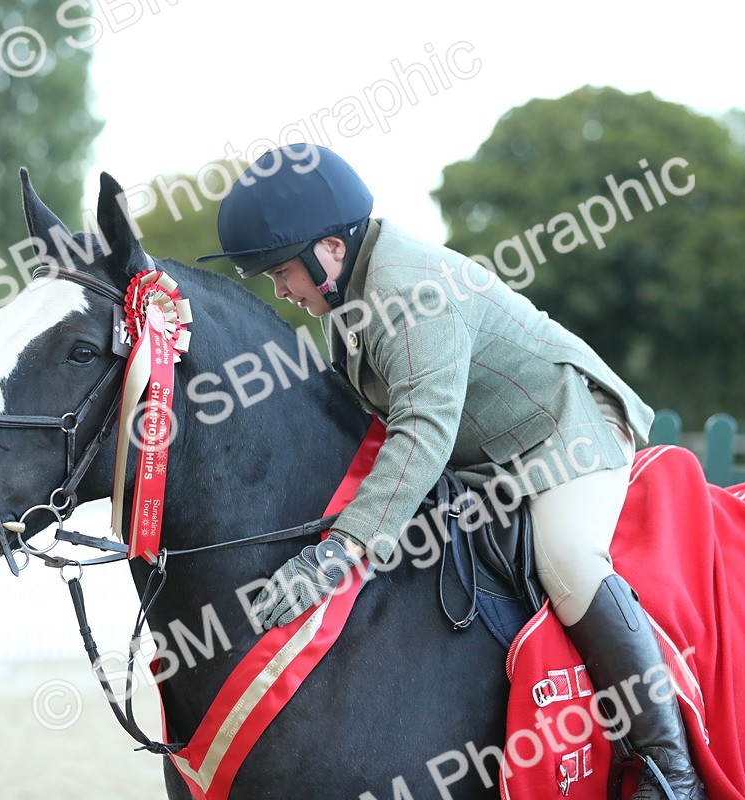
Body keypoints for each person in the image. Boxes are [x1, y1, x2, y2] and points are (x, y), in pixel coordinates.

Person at [197, 144, 705, 800]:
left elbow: (422, 432)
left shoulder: (409, 293)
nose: (281, 289)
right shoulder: (348, 301)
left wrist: (339, 552)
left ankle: (672, 766)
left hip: (564, 434)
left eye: (282, 272)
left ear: (328, 251)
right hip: (485, 457)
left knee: (570, 561)